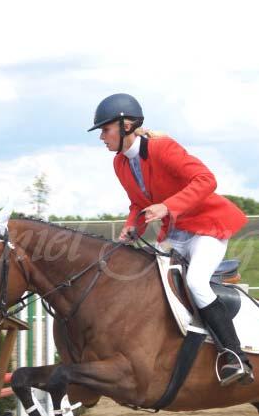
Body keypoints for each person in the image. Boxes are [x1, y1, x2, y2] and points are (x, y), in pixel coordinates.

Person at [89, 93, 253, 387]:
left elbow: (206, 180)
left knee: (196, 283)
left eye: (105, 129)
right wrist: (131, 227)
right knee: (145, 281)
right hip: (176, 235)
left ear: (126, 126)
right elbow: (137, 204)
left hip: (206, 228)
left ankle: (235, 356)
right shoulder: (120, 164)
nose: (102, 137)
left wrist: (167, 207)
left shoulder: (162, 147)